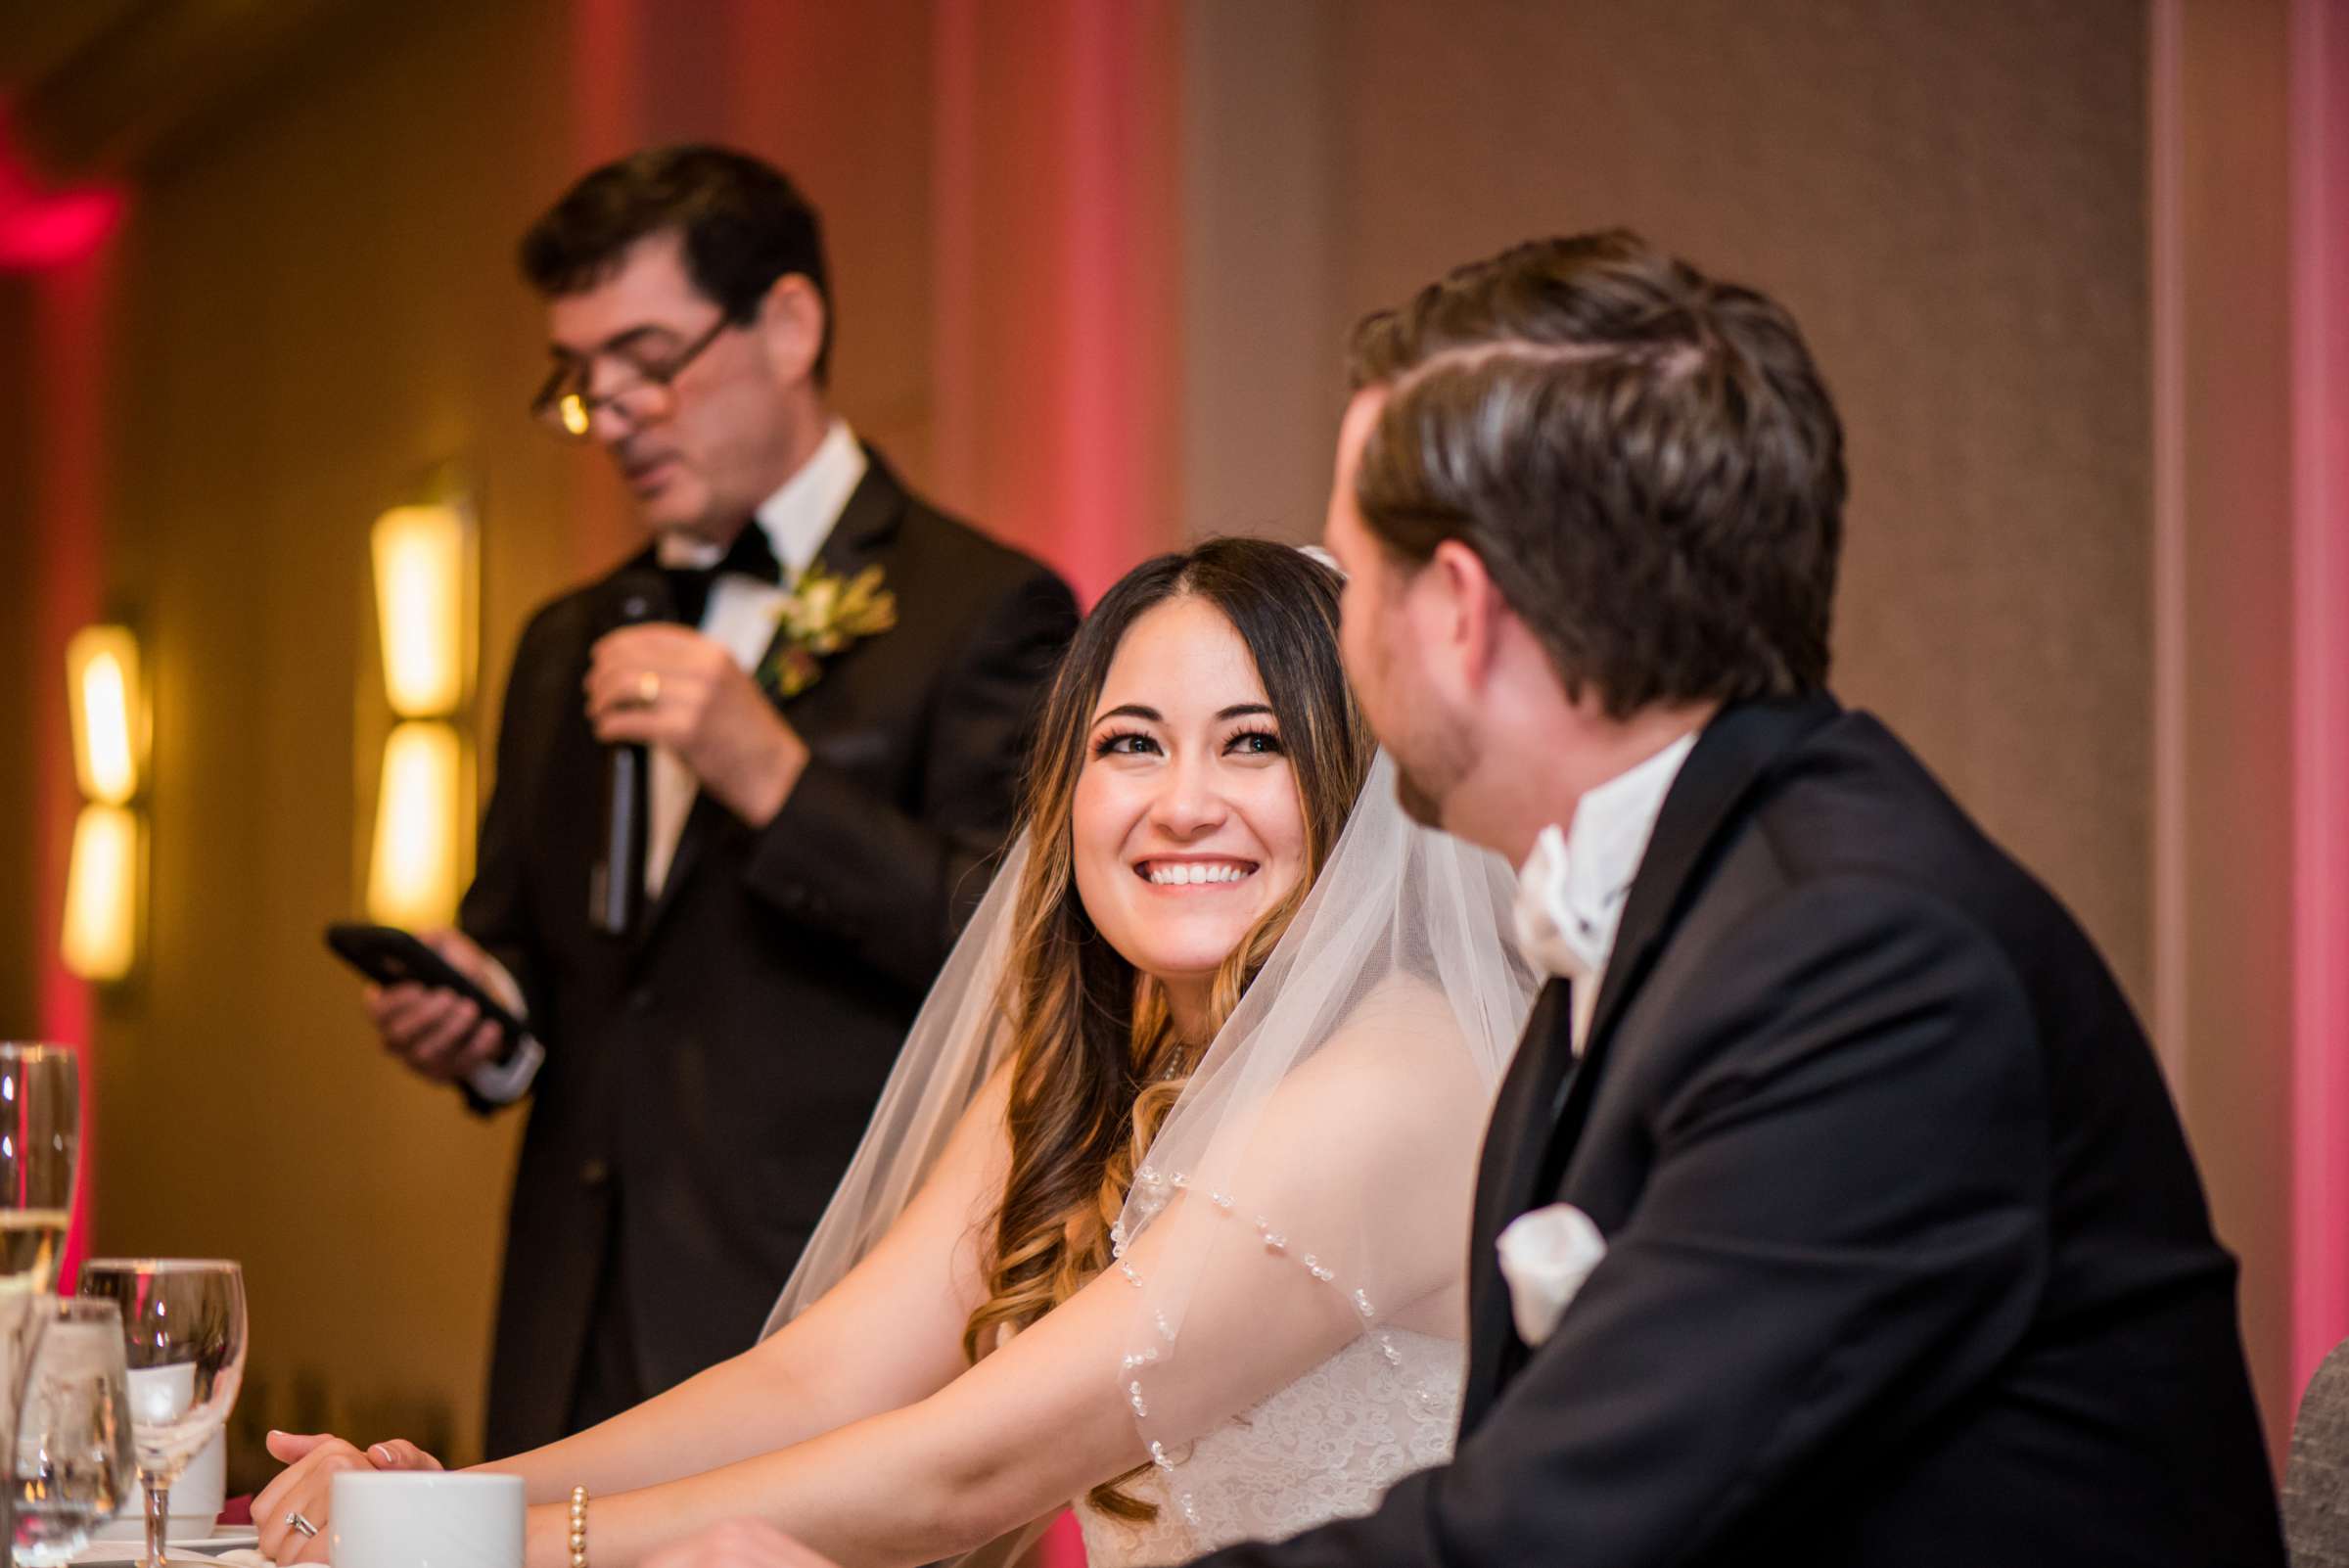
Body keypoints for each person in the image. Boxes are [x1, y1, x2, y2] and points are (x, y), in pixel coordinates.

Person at [655, 234, 2289, 1568]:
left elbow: (1547, 1539)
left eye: (1349, 571)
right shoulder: (1690, 905)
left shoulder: (1855, 960)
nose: (1337, 631)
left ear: (1458, 611)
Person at [260, 537, 1538, 1568]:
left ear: (1357, 787)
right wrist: (444, 1497)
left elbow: (960, 1470)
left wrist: (490, 1547)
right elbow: (820, 1379)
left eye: (1252, 742)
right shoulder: (1104, 1054)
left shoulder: (1393, 1079)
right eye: (1129, 742)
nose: (1180, 799)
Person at [353, 144, 1079, 1453]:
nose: (614, 410)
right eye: (581, 378)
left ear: (788, 323)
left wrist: (773, 779)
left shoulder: (985, 609)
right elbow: (535, 940)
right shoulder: (566, 634)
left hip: (827, 1306)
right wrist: (485, 1020)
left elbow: (1024, 945)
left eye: (647, 358)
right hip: (569, 1317)